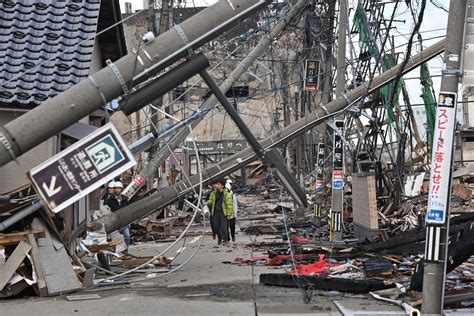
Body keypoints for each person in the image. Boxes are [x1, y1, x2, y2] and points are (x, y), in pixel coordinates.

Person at [105, 181, 131, 247]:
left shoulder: (125, 200)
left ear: (121, 189)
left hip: (124, 223)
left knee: (127, 236)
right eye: (115, 188)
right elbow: (106, 212)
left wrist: (129, 222)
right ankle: (118, 252)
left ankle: (125, 251)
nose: (117, 190)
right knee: (115, 239)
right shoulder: (110, 200)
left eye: (118, 188)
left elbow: (128, 211)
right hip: (114, 224)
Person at [207, 178, 233, 245]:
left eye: (218, 184)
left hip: (223, 212)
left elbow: (229, 204)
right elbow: (211, 201)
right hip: (215, 212)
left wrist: (229, 214)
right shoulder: (213, 193)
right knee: (216, 226)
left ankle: (225, 239)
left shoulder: (226, 194)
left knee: (224, 227)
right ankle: (219, 237)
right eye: (215, 184)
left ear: (222, 186)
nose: (216, 185)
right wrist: (207, 202)